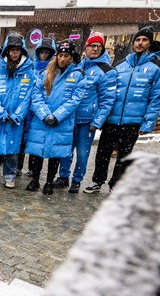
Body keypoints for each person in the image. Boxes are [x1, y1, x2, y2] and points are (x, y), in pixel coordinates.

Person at [84, 27, 160, 193]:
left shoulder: (157, 67)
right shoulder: (121, 64)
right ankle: (97, 181)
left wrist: (147, 123)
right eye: (137, 40)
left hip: (133, 121)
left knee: (124, 155)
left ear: (150, 43)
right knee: (103, 153)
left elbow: (156, 98)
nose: (140, 43)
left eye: (144, 40)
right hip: (112, 118)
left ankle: (116, 184)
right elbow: (108, 92)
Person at [53, 32, 116, 193]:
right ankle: (63, 177)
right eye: (91, 46)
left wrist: (97, 121)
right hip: (71, 116)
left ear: (102, 48)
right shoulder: (78, 66)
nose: (94, 49)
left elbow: (107, 100)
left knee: (82, 153)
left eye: (98, 46)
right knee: (66, 150)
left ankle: (77, 180)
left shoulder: (107, 71)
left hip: (88, 120)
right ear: (86, 48)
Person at [25, 40, 87, 195]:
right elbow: (36, 96)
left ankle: (49, 181)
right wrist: (45, 114)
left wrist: (57, 116)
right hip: (42, 121)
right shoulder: (45, 73)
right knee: (37, 152)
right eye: (60, 55)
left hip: (61, 122)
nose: (63, 59)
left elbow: (75, 101)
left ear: (71, 58)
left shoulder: (78, 76)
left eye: (66, 56)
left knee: (55, 154)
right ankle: (35, 179)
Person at [0, 33, 35, 188]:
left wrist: (17, 115)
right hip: (0, 118)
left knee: (13, 150)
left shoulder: (29, 72)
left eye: (17, 50)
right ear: (7, 51)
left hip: (15, 119)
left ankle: (10, 176)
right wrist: (0, 113)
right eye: (12, 50)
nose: (14, 53)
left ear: (22, 51)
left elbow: (28, 97)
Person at [20, 37, 56, 176]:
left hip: (40, 111)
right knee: (23, 139)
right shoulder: (31, 68)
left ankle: (32, 168)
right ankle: (19, 164)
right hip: (26, 110)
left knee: (36, 140)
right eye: (42, 52)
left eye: (47, 52)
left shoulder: (53, 71)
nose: (44, 55)